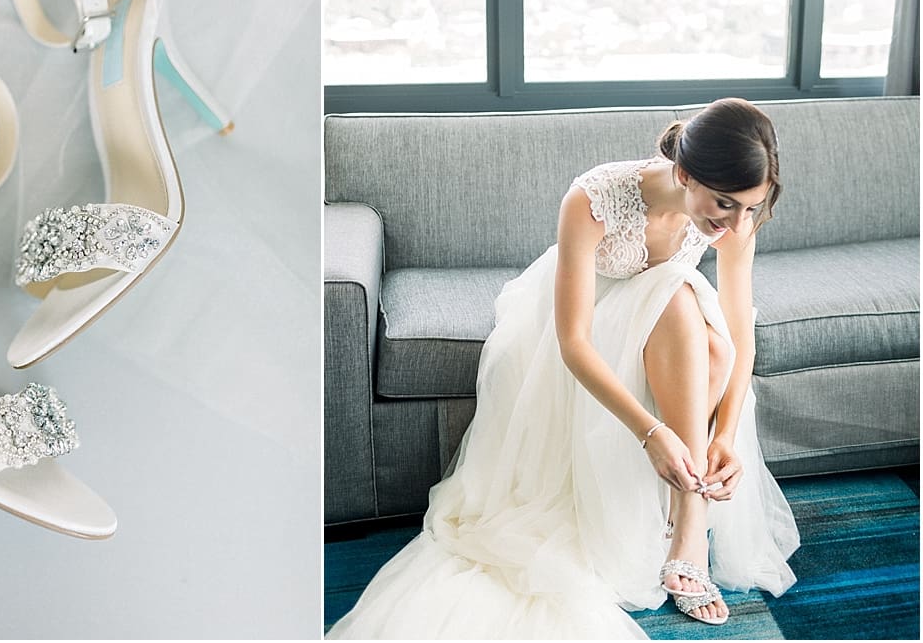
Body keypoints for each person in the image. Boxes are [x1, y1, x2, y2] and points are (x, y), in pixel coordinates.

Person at [327, 98, 800, 639]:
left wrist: (728, 434)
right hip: (585, 332)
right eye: (724, 205)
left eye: (750, 208)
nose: (736, 223)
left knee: (692, 311)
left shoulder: (736, 219)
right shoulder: (596, 198)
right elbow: (573, 341)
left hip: (674, 332)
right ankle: (689, 515)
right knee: (676, 296)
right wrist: (651, 432)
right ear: (686, 174)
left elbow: (741, 332)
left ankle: (682, 500)